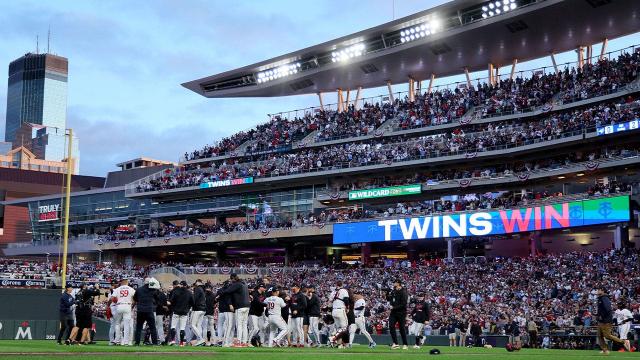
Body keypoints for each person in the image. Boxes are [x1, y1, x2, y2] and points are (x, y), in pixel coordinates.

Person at [596, 287, 630, 354]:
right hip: (601, 320)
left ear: (602, 291)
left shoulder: (604, 298)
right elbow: (602, 309)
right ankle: (605, 350)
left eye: (599, 289)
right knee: (599, 335)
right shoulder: (601, 298)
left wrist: (601, 316)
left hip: (606, 320)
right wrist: (598, 315)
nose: (597, 291)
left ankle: (623, 342)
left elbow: (608, 309)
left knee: (607, 336)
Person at [221, 273, 250, 347]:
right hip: (247, 306)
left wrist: (220, 293)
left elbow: (227, 291)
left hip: (240, 306)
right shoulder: (244, 283)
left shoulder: (237, 284)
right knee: (244, 325)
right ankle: (244, 342)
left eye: (231, 279)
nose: (231, 281)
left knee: (239, 325)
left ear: (233, 278)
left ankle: (239, 342)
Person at [133, 277, 161, 346]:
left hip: (140, 310)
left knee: (138, 327)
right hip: (149, 310)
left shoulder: (139, 289)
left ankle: (137, 342)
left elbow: (135, 298)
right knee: (152, 327)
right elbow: (157, 299)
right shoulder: (153, 290)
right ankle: (154, 342)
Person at [168, 280, 193, 346]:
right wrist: (187, 308)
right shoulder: (189, 293)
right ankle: (181, 343)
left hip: (176, 311)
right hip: (184, 312)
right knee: (182, 328)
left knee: (173, 327)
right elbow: (192, 303)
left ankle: (173, 340)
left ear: (180, 285)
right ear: (186, 285)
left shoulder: (176, 291)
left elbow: (171, 302)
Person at [112, 278, 136, 346]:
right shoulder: (131, 289)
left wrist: (118, 301)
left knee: (117, 324)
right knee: (127, 325)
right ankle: (126, 342)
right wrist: (132, 306)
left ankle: (117, 340)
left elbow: (113, 298)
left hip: (119, 306)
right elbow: (135, 298)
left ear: (121, 282)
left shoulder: (117, 289)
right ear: (127, 282)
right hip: (128, 306)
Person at [387, 278, 408, 350]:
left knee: (401, 328)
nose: (393, 283)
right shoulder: (394, 291)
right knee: (391, 326)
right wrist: (387, 293)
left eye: (394, 282)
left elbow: (404, 303)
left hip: (401, 312)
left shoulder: (403, 291)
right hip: (394, 312)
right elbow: (389, 299)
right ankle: (395, 343)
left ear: (398, 283)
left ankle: (405, 344)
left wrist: (394, 307)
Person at [217, 280, 235, 347]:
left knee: (221, 326)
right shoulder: (231, 291)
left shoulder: (220, 291)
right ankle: (228, 341)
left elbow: (216, 299)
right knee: (229, 326)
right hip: (229, 310)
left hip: (222, 310)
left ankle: (220, 340)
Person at [190, 279, 207, 346]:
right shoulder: (202, 289)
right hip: (203, 309)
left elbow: (195, 299)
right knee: (198, 325)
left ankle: (200, 339)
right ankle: (199, 341)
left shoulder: (197, 288)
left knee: (192, 324)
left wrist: (190, 304)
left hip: (197, 309)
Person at [106, 281, 119, 345]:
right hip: (115, 308)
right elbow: (115, 300)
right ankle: (116, 340)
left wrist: (107, 307)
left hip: (111, 308)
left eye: (114, 284)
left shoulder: (111, 291)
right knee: (117, 325)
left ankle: (111, 341)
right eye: (113, 284)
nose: (114, 285)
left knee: (113, 326)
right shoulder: (115, 290)